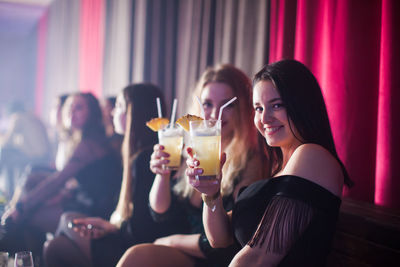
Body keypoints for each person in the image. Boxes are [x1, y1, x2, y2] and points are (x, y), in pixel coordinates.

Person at [186, 59, 353, 266]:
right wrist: (211, 194)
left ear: (301, 105)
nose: (264, 118)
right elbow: (218, 239)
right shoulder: (281, 170)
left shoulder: (312, 156)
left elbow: (257, 258)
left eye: (276, 105)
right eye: (258, 108)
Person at [117, 64, 268, 267]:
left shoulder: (251, 163)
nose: (215, 113)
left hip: (216, 260)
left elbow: (232, 238)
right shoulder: (191, 153)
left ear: (243, 108)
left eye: (227, 105)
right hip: (184, 255)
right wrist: (162, 175)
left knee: (137, 256)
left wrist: (172, 241)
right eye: (207, 104)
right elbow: (161, 213)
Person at [44, 84, 180, 267]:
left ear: (135, 113)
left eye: (120, 106)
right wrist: (108, 224)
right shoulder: (133, 152)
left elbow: (143, 229)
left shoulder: (146, 158)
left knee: (60, 237)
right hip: (123, 234)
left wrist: (111, 227)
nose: (112, 112)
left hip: (132, 247)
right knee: (57, 240)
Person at [0, 93, 122, 258]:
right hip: (83, 201)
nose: (72, 112)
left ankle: (21, 256)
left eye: (79, 107)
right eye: (70, 107)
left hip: (95, 211)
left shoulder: (90, 143)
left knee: (28, 217)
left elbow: (58, 180)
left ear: (92, 113)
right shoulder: (82, 138)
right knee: (33, 181)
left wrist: (21, 207)